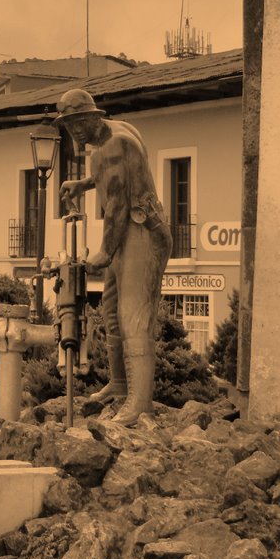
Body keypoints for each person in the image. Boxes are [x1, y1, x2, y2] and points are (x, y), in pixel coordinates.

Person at [56, 88, 172, 427]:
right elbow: (118, 173)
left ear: (93, 117)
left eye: (78, 123)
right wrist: (85, 184)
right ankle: (120, 384)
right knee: (110, 311)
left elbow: (117, 205)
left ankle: (139, 404)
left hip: (138, 231)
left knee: (134, 318)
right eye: (69, 125)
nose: (75, 131)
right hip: (133, 230)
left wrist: (105, 252)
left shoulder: (109, 148)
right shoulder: (121, 130)